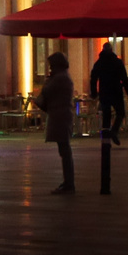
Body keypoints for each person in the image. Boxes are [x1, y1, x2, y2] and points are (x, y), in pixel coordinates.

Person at [35, 52, 76, 193]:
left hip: (60, 116)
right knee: (64, 150)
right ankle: (68, 182)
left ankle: (69, 183)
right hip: (62, 115)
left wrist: (47, 81)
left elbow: (46, 92)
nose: (50, 68)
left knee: (64, 150)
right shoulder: (64, 77)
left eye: (52, 66)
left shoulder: (59, 79)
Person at [90, 42, 128, 146]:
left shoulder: (99, 63)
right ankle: (114, 130)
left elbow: (93, 78)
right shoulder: (117, 62)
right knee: (120, 112)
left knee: (106, 115)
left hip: (104, 91)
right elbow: (124, 78)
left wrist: (94, 93)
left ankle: (106, 140)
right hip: (116, 91)